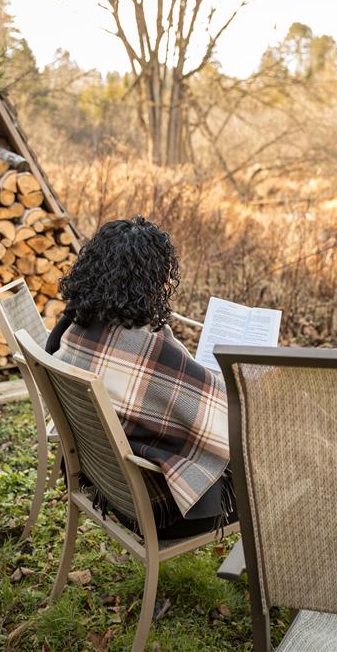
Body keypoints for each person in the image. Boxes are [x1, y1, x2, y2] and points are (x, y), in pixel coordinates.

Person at [46, 216, 235, 539]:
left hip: (110, 488)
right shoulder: (147, 348)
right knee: (267, 458)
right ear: (152, 279)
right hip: (161, 510)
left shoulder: (75, 326)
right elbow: (222, 420)